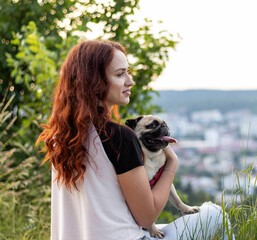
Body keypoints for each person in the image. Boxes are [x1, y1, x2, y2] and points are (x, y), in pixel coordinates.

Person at [37, 40, 232, 240]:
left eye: (128, 72)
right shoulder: (119, 137)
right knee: (216, 215)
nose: (130, 81)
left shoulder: (60, 139)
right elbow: (147, 216)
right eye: (120, 74)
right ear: (94, 81)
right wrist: (172, 164)